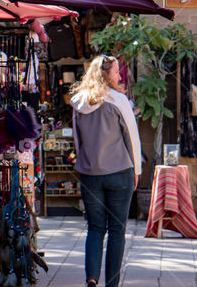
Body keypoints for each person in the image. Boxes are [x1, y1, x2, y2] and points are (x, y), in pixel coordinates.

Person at [69, 54, 142, 287]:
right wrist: (137, 170)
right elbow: (132, 138)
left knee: (95, 228)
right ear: (105, 74)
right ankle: (112, 284)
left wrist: (84, 163)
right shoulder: (119, 101)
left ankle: (91, 279)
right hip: (120, 172)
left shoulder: (78, 102)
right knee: (117, 231)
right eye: (116, 71)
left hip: (90, 175)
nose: (119, 75)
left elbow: (77, 141)